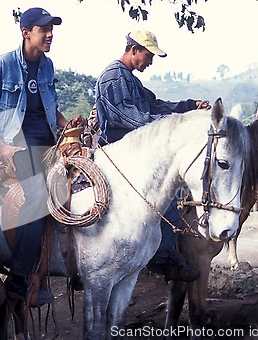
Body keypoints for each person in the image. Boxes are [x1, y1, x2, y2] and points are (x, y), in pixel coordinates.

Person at [95, 30, 210, 282]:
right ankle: (159, 257)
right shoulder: (114, 77)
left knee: (175, 192)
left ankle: (159, 252)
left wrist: (187, 107)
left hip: (135, 149)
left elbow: (155, 106)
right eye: (148, 55)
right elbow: (128, 118)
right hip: (118, 150)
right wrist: (173, 126)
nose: (150, 61)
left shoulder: (132, 80)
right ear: (134, 50)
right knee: (164, 196)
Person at [0, 7, 70, 304]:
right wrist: (1, 146)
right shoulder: (2, 65)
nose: (50, 34)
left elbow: (49, 108)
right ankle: (18, 277)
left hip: (48, 144)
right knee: (38, 195)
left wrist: (68, 125)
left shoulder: (48, 65)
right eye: (44, 29)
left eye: (52, 29)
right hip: (14, 146)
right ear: (26, 32)